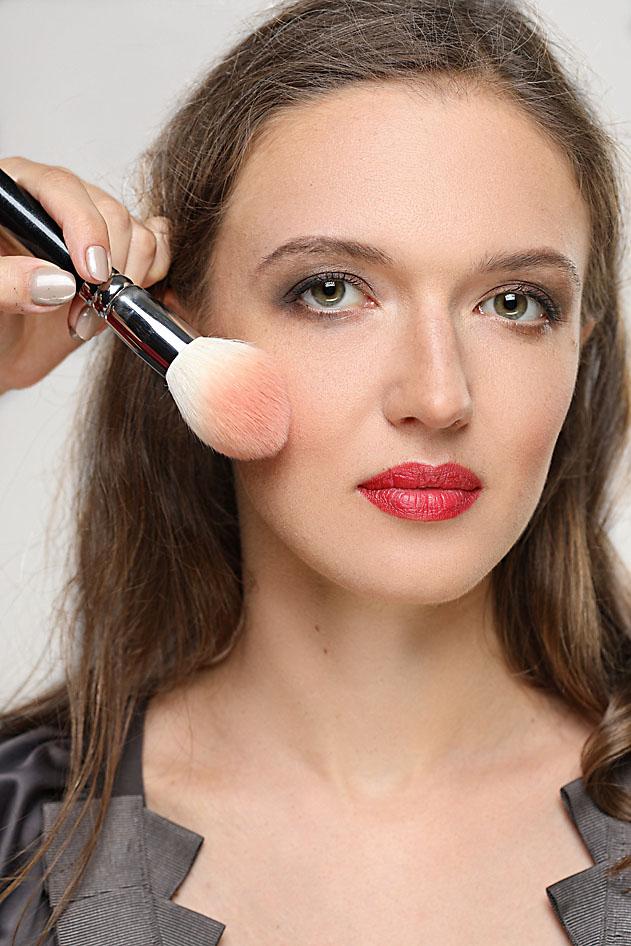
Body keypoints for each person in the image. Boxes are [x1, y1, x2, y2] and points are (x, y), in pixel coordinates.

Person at [1, 0, 630, 943]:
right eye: (330, 290)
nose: (438, 396)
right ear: (176, 332)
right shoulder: (16, 838)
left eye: (513, 302)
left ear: (580, 342)